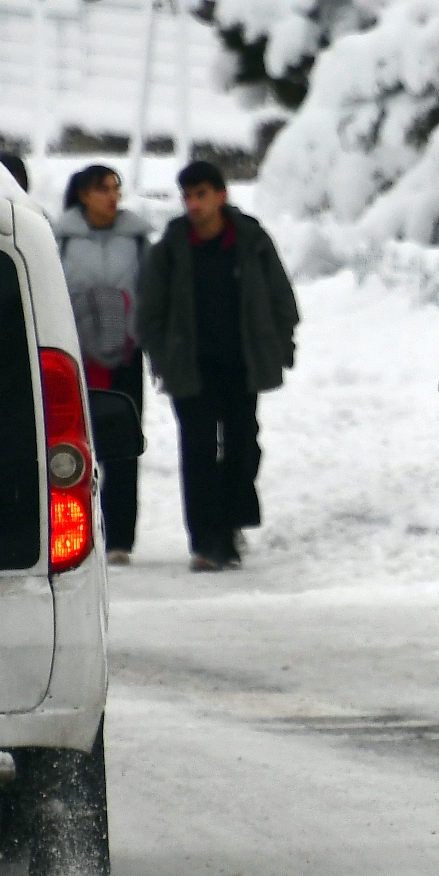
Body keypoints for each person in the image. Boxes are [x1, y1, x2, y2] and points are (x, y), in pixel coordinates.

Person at [137, 161, 300, 571]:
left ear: (221, 196)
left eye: (201, 194)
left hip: (241, 365)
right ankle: (207, 541)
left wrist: (280, 343)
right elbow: (149, 312)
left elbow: (281, 297)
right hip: (191, 367)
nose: (193, 204)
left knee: (243, 447)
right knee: (199, 451)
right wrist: (162, 355)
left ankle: (230, 526)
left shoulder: (251, 240)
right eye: (187, 196)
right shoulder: (171, 249)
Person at [55, 163, 154, 564]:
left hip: (125, 358)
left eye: (116, 188)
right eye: (102, 189)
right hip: (76, 359)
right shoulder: (59, 239)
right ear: (83, 195)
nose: (112, 197)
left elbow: (151, 292)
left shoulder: (138, 240)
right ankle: (75, 530)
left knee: (123, 447)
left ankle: (120, 540)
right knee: (75, 448)